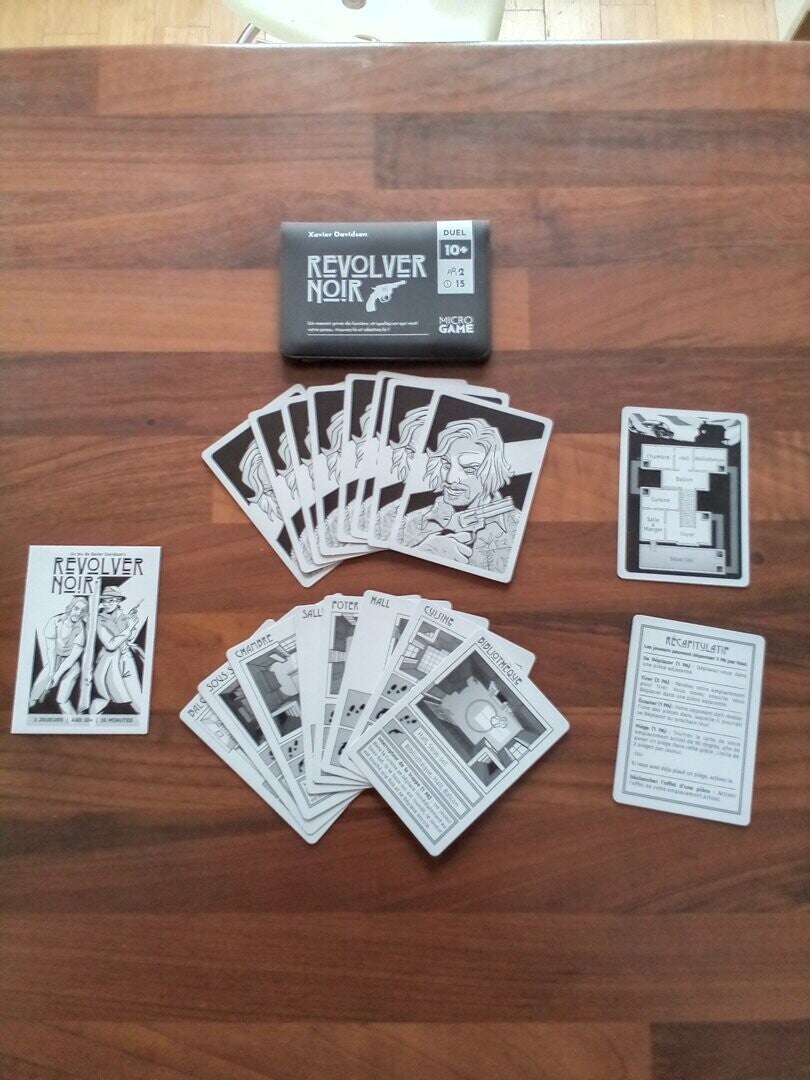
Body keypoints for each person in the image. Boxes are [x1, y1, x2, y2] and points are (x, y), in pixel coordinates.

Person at [399, 417, 520, 573]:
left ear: (492, 472)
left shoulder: (515, 526)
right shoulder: (411, 522)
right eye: (446, 464)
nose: (450, 479)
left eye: (469, 469)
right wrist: (422, 552)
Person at [28, 597, 88, 716]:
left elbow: (72, 657)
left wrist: (57, 676)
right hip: (54, 660)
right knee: (34, 694)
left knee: (62, 700)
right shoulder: (54, 622)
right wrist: (51, 672)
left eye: (82, 611)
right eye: (76, 608)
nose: (78, 613)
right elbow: (51, 650)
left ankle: (75, 723)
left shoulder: (82, 628)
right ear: (70, 608)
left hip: (71, 665)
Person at [90, 586, 141, 714]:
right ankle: (90, 721)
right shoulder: (99, 619)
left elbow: (129, 639)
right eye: (105, 600)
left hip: (126, 660)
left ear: (118, 601)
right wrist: (129, 630)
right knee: (104, 698)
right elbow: (110, 644)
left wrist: (132, 627)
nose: (107, 604)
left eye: (111, 600)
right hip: (109, 662)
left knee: (138, 702)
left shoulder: (124, 617)